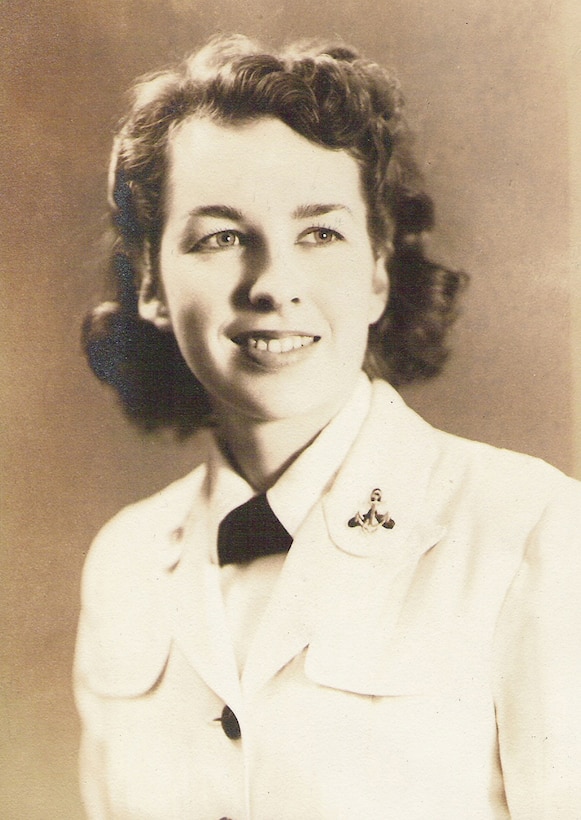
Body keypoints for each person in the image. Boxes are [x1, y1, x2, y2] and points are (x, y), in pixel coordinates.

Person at [74, 34, 581, 819]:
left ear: (377, 271)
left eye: (320, 233)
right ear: (150, 287)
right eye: (220, 237)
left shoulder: (530, 529)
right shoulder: (125, 561)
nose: (274, 284)